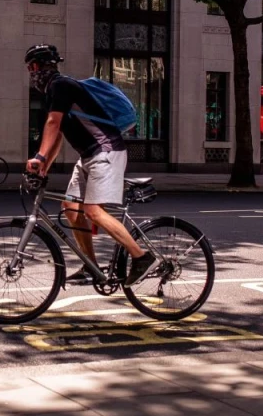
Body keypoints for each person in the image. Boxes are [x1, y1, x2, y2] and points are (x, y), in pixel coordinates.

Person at [23, 44, 160, 288]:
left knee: (93, 211)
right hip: (89, 156)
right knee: (71, 207)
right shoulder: (55, 91)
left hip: (106, 152)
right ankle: (91, 266)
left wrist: (40, 158)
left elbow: (53, 123)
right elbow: (59, 134)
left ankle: (142, 257)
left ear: (38, 66)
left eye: (31, 68)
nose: (31, 74)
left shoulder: (60, 85)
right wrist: (45, 165)